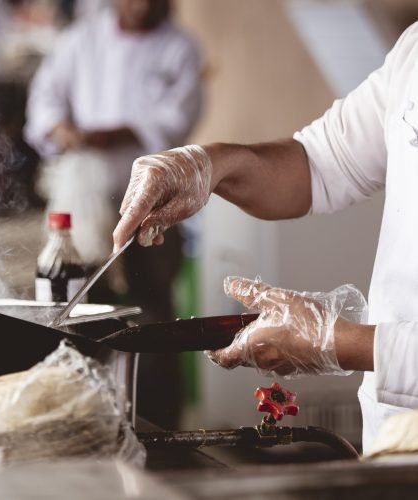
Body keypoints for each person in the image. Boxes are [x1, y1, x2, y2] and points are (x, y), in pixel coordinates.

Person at [112, 22, 418, 451]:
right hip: (394, 430)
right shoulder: (414, 49)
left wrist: (336, 342)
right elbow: (319, 164)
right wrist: (211, 163)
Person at [25, 0, 202, 428]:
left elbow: (178, 117)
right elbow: (44, 99)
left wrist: (117, 133)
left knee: (154, 311)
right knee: (87, 309)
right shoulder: (81, 39)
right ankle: (91, 419)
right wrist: (63, 130)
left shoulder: (180, 48)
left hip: (157, 199)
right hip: (87, 200)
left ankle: (160, 426)